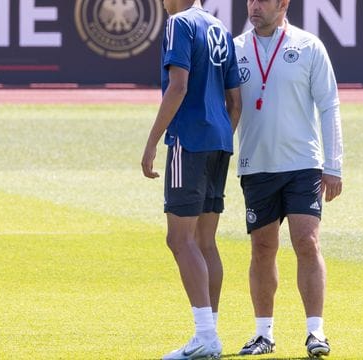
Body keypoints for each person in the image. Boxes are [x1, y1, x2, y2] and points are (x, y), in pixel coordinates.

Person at [233, 0, 343, 357]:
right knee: (263, 248)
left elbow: (329, 104)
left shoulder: (309, 46)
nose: (254, 6)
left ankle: (316, 332)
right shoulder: (236, 49)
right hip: (256, 165)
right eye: (250, 0)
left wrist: (334, 164)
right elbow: (225, 106)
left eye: (263, 0)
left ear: (283, 4)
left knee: (307, 243)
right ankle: (263, 334)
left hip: (302, 164)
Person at [140, 0, 241, 358]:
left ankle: (205, 336)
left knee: (180, 239)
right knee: (205, 240)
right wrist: (221, 137)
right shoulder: (220, 28)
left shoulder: (178, 24)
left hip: (190, 139)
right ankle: (210, 336)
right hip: (219, 141)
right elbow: (235, 100)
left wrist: (153, 141)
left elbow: (178, 86)